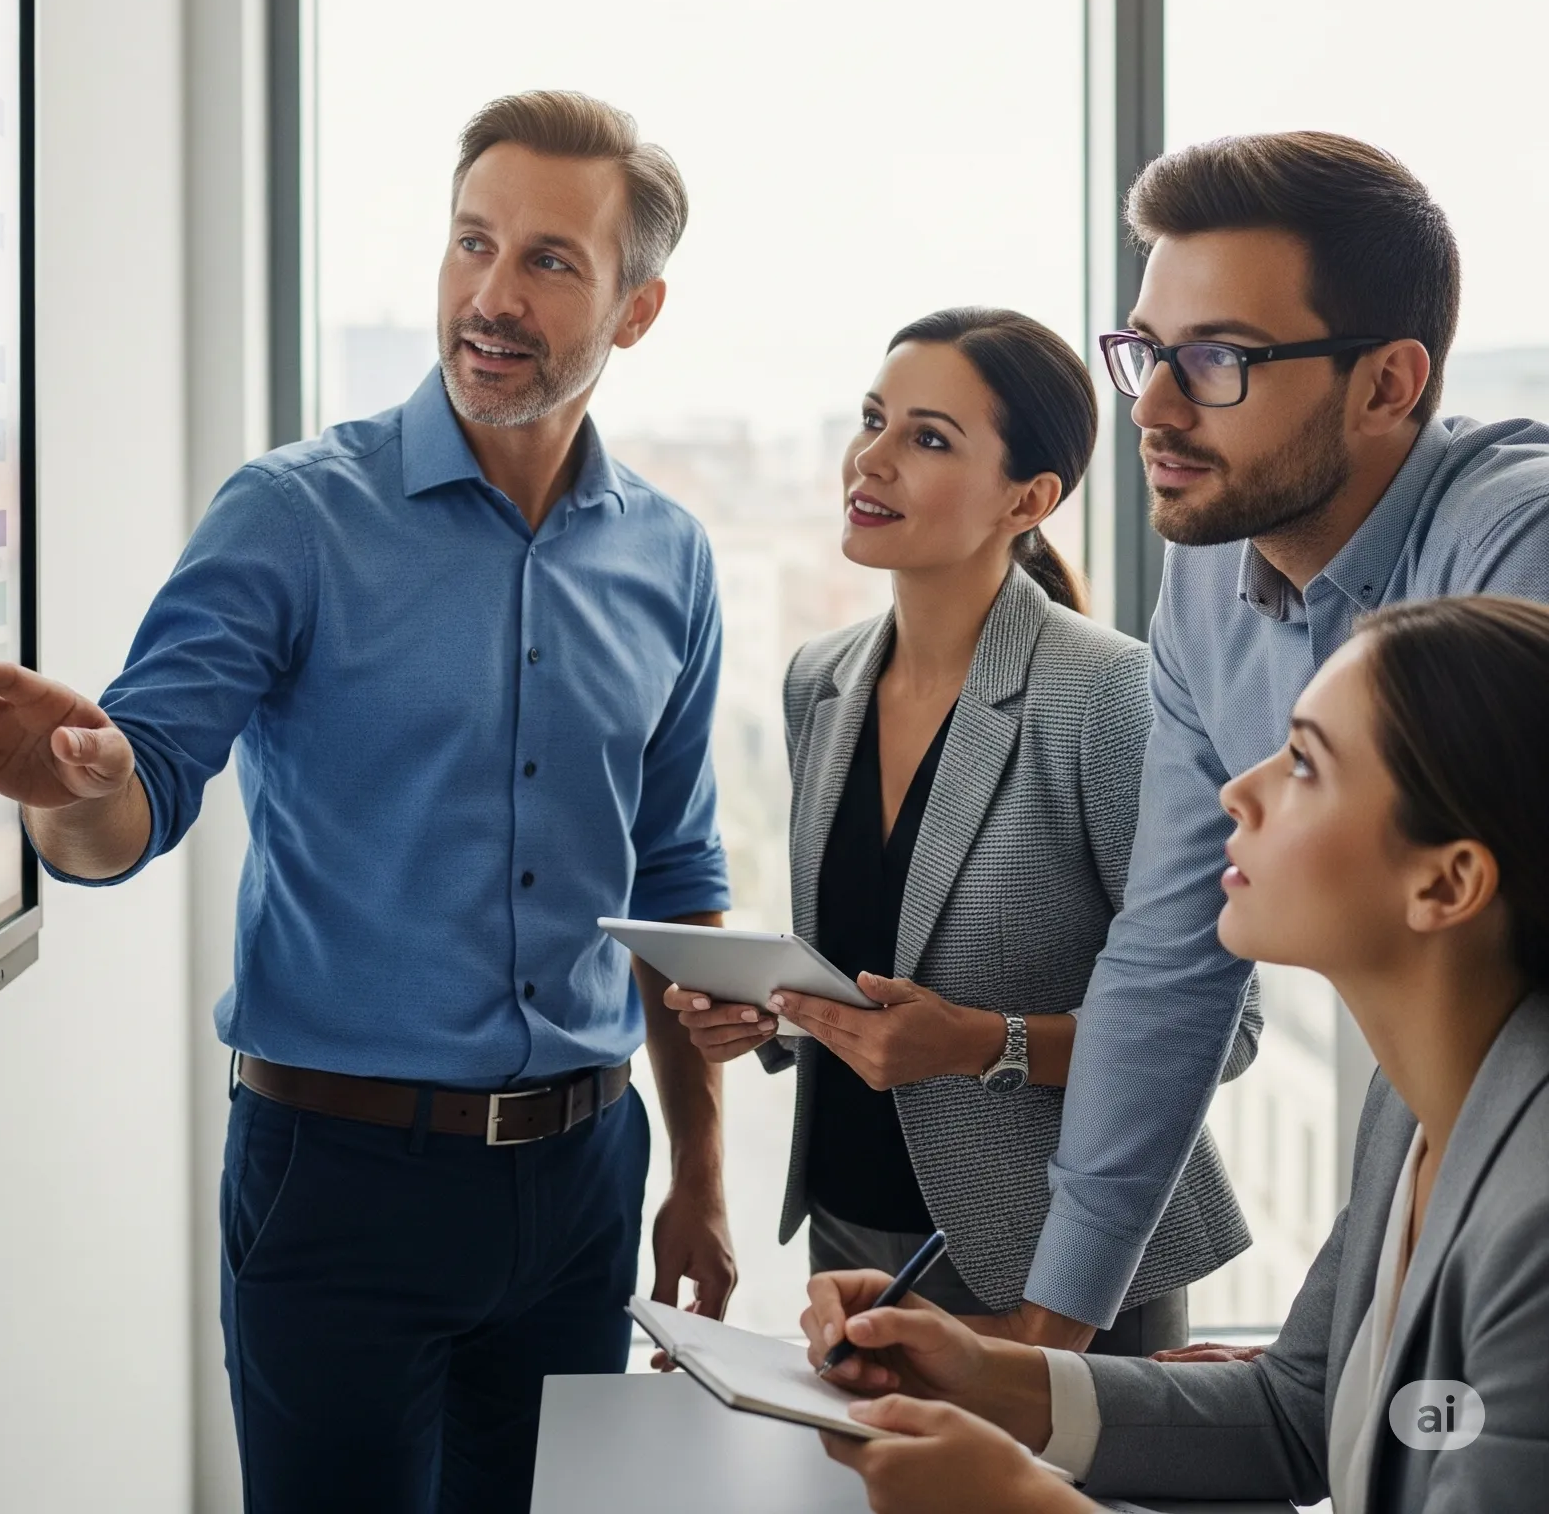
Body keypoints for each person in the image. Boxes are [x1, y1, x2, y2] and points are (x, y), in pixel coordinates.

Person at [0, 91, 736, 1514]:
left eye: (548, 260)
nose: (491, 293)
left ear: (635, 309)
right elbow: (131, 795)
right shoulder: (293, 514)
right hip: (344, 1182)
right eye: (471, 241)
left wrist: (698, 1172)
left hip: (586, 1181)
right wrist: (65, 790)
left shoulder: (672, 556)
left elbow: (674, 873)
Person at [808, 593, 1549, 1513]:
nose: (1238, 788)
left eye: (1305, 763)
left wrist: (1028, 1505)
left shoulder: (1535, 1220)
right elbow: (1298, 1413)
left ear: (1447, 882)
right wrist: (982, 1375)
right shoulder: (1411, 1110)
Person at [994, 131, 1549, 1350]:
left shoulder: (1519, 552)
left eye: (1216, 359)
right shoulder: (1207, 574)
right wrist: (1052, 1323)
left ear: (1386, 383)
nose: (1152, 406)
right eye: (1144, 351)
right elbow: (1169, 945)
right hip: (1435, 1149)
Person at [662, 310, 1258, 1353]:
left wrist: (983, 1044)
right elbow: (879, 965)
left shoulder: (1107, 695)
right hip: (849, 1227)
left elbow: (1225, 1027)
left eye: (928, 438)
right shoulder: (819, 679)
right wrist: (772, 1019)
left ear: (1028, 499)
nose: (871, 458)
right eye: (872, 419)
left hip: (1058, 1262)